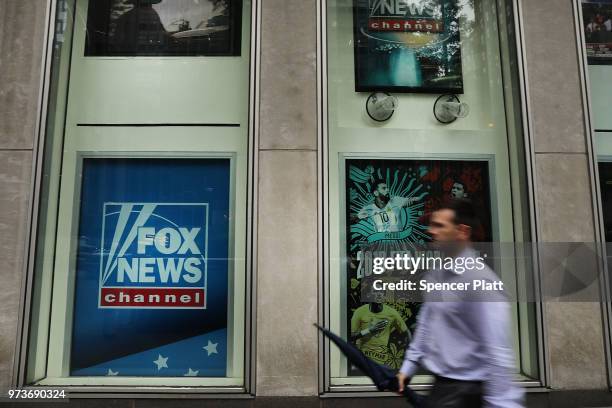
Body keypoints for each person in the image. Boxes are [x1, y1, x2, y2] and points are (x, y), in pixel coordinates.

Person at [396, 199, 524, 407]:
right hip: (440, 387)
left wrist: (503, 403)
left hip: (467, 393)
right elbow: (427, 321)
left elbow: (497, 350)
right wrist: (408, 367)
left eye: (439, 226)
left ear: (462, 232)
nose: (430, 231)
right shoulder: (436, 273)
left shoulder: (480, 281)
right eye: (431, 224)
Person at [350, 301, 409, 366]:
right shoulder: (359, 312)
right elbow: (352, 336)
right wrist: (370, 330)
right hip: (362, 359)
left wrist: (409, 356)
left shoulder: (392, 313)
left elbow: (406, 333)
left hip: (381, 360)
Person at [356, 178, 422, 232]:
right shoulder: (369, 208)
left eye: (387, 188)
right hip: (381, 242)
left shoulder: (395, 201)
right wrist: (357, 217)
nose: (387, 190)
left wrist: (414, 199)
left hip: (398, 241)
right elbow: (355, 218)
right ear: (376, 193)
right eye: (384, 188)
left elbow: (413, 199)